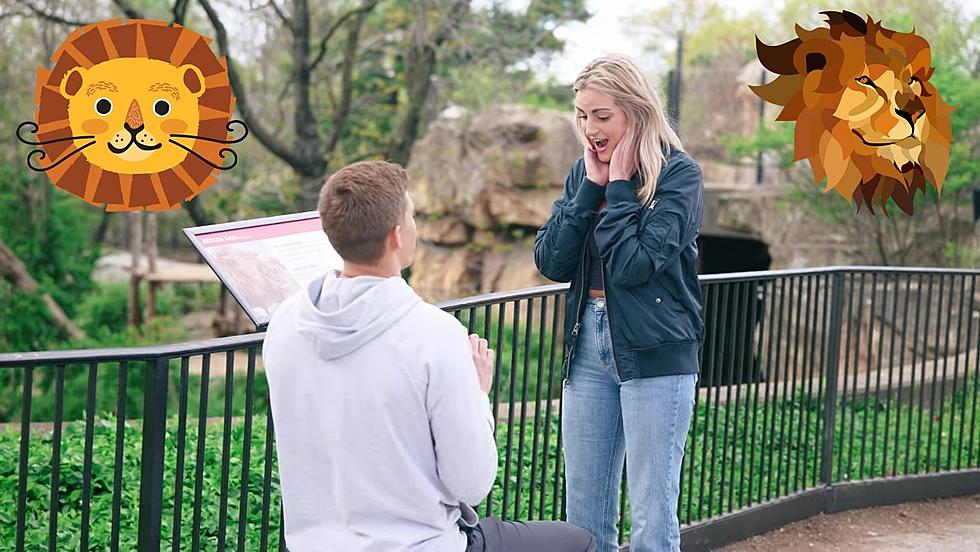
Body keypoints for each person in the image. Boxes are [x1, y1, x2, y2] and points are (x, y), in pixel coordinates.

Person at [263, 161, 596, 552]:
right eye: (413, 216)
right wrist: (477, 393)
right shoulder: (434, 336)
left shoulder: (284, 323)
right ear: (397, 236)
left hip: (312, 544)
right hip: (419, 545)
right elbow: (471, 484)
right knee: (577, 542)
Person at [533, 54, 705, 552]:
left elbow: (633, 266)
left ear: (636, 110)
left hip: (655, 351)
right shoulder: (582, 174)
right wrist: (590, 189)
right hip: (587, 346)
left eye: (602, 116)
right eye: (582, 115)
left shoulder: (678, 175)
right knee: (584, 515)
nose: (590, 128)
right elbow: (551, 260)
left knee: (652, 517)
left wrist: (622, 186)